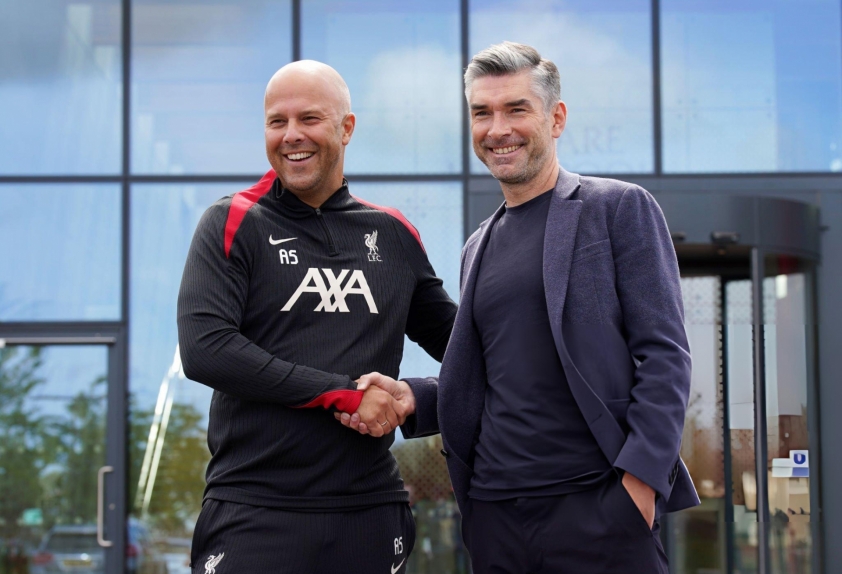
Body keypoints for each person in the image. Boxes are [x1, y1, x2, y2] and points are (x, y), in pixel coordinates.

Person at [339, 42, 699, 573]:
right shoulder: (477, 246)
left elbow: (666, 356)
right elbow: (497, 378)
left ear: (556, 118)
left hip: (599, 508)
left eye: (516, 109)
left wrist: (639, 487)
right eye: (482, 113)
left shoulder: (618, 208)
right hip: (496, 517)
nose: (497, 128)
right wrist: (414, 397)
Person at [177, 60, 457, 574]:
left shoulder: (393, 234)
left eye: (309, 118)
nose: (291, 135)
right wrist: (342, 393)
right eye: (276, 122)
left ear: (346, 128)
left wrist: (417, 398)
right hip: (255, 511)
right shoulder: (232, 221)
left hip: (370, 513)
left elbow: (467, 352)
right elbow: (206, 349)